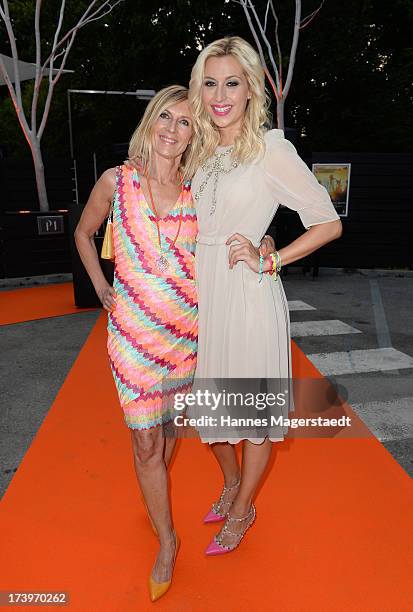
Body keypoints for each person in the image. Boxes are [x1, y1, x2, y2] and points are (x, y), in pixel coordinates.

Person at [187, 36, 343, 555]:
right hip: (204, 293)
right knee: (212, 409)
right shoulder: (201, 148)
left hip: (247, 295)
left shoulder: (272, 149)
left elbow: (327, 222)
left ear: (251, 87)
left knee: (250, 418)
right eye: (210, 83)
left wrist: (270, 256)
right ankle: (231, 485)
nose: (220, 94)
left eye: (232, 82)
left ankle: (243, 506)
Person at [74, 85, 199, 602]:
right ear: (150, 122)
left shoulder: (200, 188)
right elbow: (83, 233)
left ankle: (155, 500)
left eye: (185, 122)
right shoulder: (117, 181)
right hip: (132, 336)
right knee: (146, 440)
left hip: (188, 333)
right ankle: (167, 540)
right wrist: (101, 285)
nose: (172, 128)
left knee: (169, 433)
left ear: (196, 135)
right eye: (164, 117)